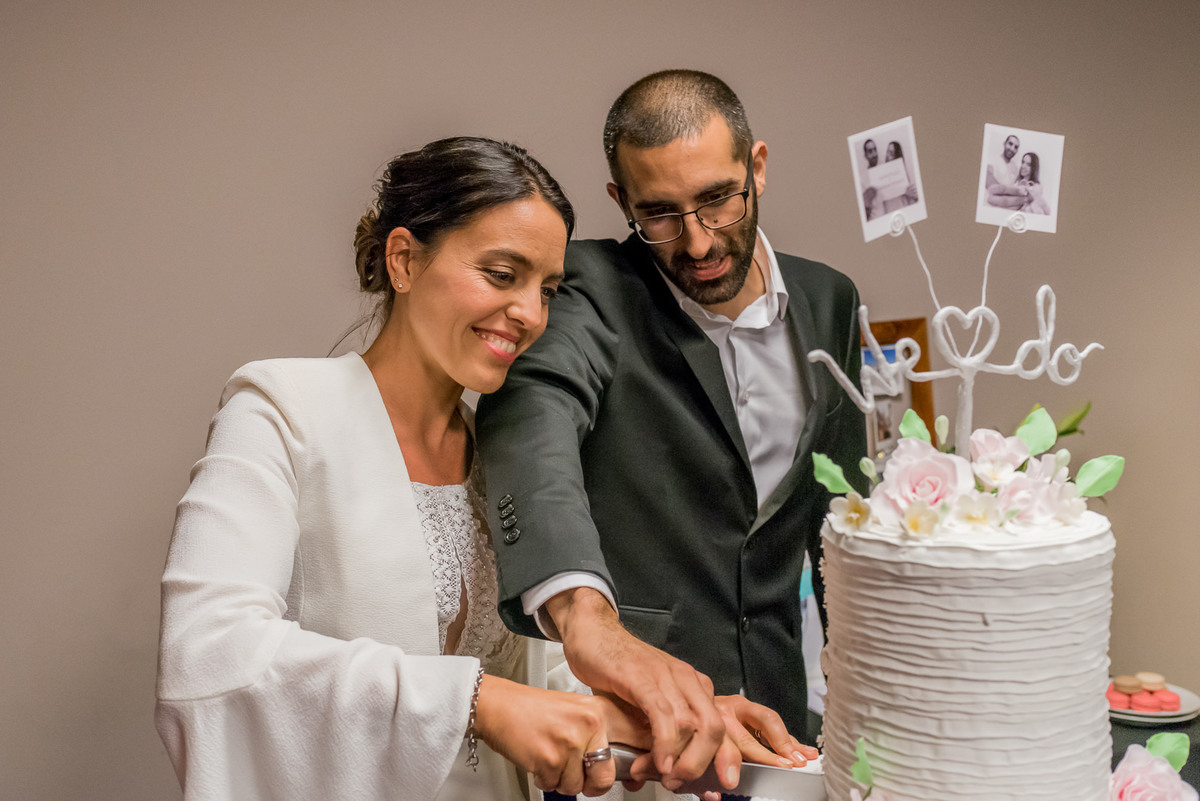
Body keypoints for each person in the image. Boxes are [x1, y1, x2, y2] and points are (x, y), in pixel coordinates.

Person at [155, 137, 657, 801]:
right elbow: (209, 652)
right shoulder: (281, 410)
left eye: (548, 290)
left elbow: (543, 684)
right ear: (403, 259)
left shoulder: (501, 458)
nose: (531, 315)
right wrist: (476, 700)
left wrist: (667, 719)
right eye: (501, 274)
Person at [476, 70, 865, 793]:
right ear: (621, 201)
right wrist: (585, 616)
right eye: (658, 214)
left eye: (718, 199)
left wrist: (869, 690)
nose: (697, 242)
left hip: (780, 721)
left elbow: (841, 509)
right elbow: (532, 418)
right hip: (633, 742)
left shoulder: (830, 298)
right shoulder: (586, 286)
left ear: (757, 167)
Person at [985, 133, 1027, 209]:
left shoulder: (1016, 168)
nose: (1012, 149)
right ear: (1004, 144)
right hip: (991, 205)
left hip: (1007, 207)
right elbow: (988, 178)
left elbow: (1019, 187)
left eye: (1016, 147)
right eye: (1010, 144)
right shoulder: (992, 159)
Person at [881, 140, 919, 213]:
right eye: (887, 152)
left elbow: (912, 203)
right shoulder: (881, 176)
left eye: (891, 153)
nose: (887, 156)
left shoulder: (905, 177)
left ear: (897, 156)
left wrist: (914, 196)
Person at [860, 138, 883, 220]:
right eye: (870, 151)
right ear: (865, 156)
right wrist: (866, 204)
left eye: (875, 149)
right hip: (876, 221)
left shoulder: (885, 170)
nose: (874, 154)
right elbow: (863, 215)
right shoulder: (862, 179)